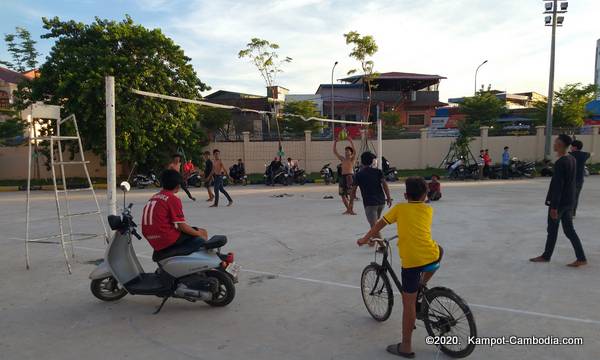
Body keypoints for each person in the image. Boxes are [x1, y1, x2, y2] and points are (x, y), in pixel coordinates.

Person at [357, 177, 442, 358]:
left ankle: (406, 346)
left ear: (405, 195)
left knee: (408, 303)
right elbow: (415, 227)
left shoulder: (400, 208)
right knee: (439, 250)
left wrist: (365, 239)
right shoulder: (428, 209)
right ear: (426, 195)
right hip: (432, 257)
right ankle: (422, 284)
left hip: (412, 262)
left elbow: (379, 224)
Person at [530, 134, 587, 267]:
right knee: (569, 230)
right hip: (569, 201)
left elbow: (558, 186)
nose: (554, 144)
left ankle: (546, 256)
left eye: (555, 142)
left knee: (552, 230)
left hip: (560, 203)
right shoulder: (571, 159)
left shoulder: (561, 162)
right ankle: (581, 258)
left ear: (560, 144)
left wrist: (554, 207)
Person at [141, 169, 208, 255]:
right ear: (178, 185)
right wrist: (199, 234)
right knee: (203, 232)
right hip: (165, 237)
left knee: (192, 232)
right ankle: (204, 262)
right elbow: (181, 226)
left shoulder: (154, 197)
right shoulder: (172, 199)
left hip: (151, 238)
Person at [349, 152, 393, 238]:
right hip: (381, 202)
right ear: (372, 161)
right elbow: (384, 185)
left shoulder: (359, 175)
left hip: (370, 204)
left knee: (374, 227)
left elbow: (353, 190)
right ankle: (372, 240)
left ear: (362, 162)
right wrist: (388, 197)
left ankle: (383, 247)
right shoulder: (378, 171)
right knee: (375, 224)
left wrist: (351, 203)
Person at [333, 134, 356, 215]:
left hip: (350, 176)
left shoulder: (352, 159)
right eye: (345, 150)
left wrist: (351, 141)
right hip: (342, 177)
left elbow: (355, 151)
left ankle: (351, 209)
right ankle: (348, 209)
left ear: (351, 152)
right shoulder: (342, 159)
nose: (346, 151)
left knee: (351, 194)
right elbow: (335, 152)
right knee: (342, 194)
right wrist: (335, 142)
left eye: (348, 150)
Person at [569, 140, 590, 217]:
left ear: (574, 147)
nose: (570, 147)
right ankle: (573, 213)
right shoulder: (585, 155)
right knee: (575, 197)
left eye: (571, 146)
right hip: (580, 180)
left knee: (569, 196)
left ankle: (568, 213)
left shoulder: (570, 155)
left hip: (571, 180)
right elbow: (589, 154)